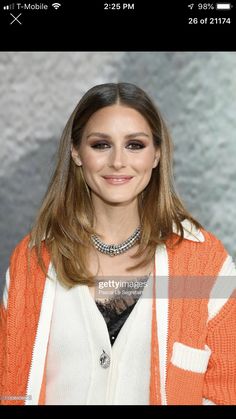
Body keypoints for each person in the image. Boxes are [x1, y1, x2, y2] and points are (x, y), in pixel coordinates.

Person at [0, 82, 235, 406]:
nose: (118, 162)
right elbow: (8, 386)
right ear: (76, 152)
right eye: (101, 145)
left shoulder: (205, 264)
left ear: (157, 154)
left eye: (135, 145)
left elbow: (227, 391)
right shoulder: (31, 262)